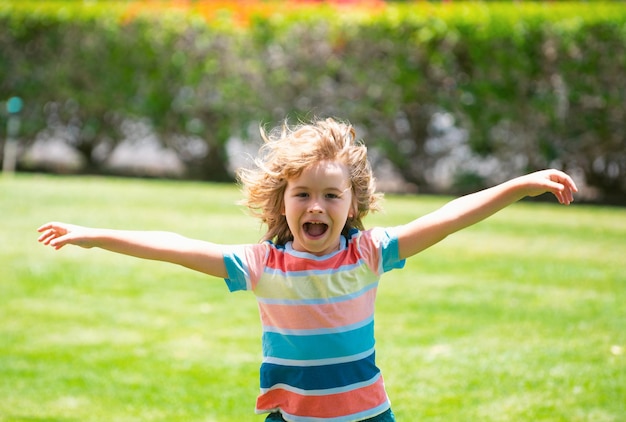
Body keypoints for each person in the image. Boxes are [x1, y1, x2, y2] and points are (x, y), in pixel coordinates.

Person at [37, 118, 578, 422]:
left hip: (366, 418)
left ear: (352, 202)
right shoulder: (259, 265)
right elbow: (174, 245)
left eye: (329, 195)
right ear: (282, 201)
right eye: (302, 194)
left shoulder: (369, 253)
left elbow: (448, 215)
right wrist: (96, 236)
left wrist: (519, 184)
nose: (315, 206)